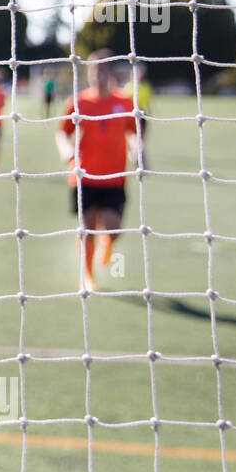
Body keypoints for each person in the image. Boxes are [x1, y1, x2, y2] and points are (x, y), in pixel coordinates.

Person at [55, 52, 142, 292]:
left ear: (112, 74)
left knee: (113, 229)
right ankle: (87, 275)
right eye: (94, 72)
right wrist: (66, 150)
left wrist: (137, 150)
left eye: (103, 71)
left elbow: (134, 132)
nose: (98, 76)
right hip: (83, 175)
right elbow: (62, 132)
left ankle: (109, 243)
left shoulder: (125, 102)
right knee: (87, 226)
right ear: (88, 74)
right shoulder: (78, 102)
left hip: (114, 176)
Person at [124, 64, 153, 168]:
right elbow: (125, 102)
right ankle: (136, 157)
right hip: (131, 115)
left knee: (140, 139)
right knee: (131, 137)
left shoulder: (146, 87)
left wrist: (150, 113)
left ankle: (140, 159)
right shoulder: (128, 87)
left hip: (142, 115)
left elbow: (148, 101)